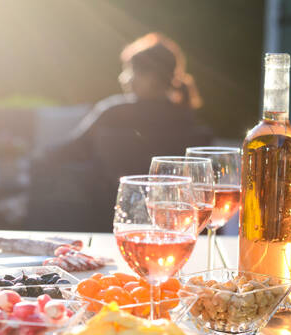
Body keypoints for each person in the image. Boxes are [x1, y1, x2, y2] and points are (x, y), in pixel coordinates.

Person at [27, 32, 211, 232]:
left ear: (149, 77)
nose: (124, 79)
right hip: (173, 225)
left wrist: (33, 158)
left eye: (130, 71)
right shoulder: (188, 120)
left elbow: (64, 151)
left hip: (106, 218)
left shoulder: (114, 113)